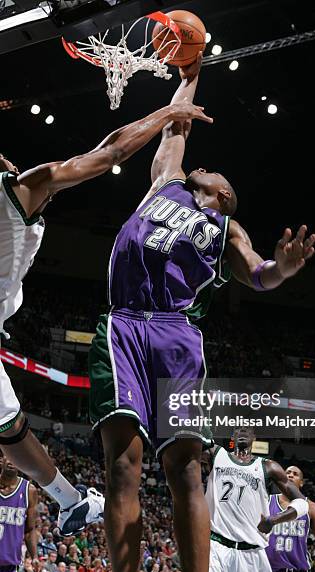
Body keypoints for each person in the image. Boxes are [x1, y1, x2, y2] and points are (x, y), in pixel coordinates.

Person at [88, 52, 315, 572]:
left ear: (224, 193)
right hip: (122, 325)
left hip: (176, 335)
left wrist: (282, 269)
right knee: (122, 465)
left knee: (186, 469)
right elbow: (178, 120)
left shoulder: (225, 225)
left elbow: (259, 272)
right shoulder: (164, 183)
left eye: (216, 173)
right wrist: (190, 68)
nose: (205, 166)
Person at [0, 97, 211, 539]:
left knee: (12, 430)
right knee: (10, 432)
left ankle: (69, 500)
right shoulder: (20, 189)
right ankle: (70, 500)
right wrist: (166, 116)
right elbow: (110, 154)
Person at [203, 428, 309, 572]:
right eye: (238, 430)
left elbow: (302, 503)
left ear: (254, 438)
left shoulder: (268, 466)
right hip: (216, 546)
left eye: (247, 430)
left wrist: (274, 520)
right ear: (232, 438)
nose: (242, 431)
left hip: (251, 552)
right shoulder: (215, 453)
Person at [0, 452, 37, 572]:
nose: (12, 461)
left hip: (8, 569)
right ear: (1, 459)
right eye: (9, 455)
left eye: (16, 457)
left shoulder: (29, 490)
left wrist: (34, 556)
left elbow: (29, 530)